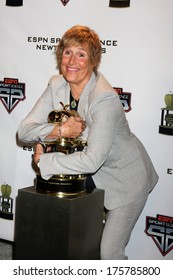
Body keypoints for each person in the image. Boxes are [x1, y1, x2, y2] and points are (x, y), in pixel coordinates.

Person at [17, 25, 159, 260]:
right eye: (67, 52)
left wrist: (45, 161)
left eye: (81, 54)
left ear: (93, 61)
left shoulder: (105, 99)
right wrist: (58, 130)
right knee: (76, 244)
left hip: (124, 179)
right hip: (86, 178)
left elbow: (92, 160)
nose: (72, 61)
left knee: (109, 253)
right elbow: (25, 131)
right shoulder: (57, 84)